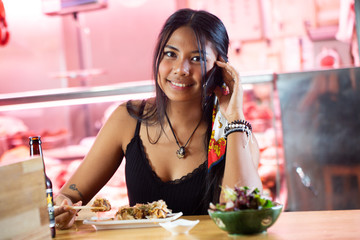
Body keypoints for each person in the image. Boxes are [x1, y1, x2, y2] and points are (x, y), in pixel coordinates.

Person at [54, 8, 262, 229]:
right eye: (170, 54)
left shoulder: (234, 133)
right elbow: (68, 196)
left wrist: (234, 118)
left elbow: (245, 218)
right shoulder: (127, 119)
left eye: (196, 58)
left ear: (221, 68)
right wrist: (62, 206)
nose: (180, 69)